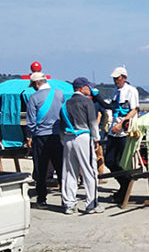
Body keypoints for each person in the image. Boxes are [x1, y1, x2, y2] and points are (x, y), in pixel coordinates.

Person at [95, 67, 139, 204]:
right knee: (109, 160)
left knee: (121, 160)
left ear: (124, 78)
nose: (116, 81)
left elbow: (134, 110)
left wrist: (121, 124)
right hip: (113, 130)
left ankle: (124, 187)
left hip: (125, 130)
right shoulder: (115, 92)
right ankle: (125, 184)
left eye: (118, 79)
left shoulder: (131, 91)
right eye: (114, 79)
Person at [60, 77, 102, 215]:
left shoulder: (65, 103)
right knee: (89, 170)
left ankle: (69, 204)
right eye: (87, 87)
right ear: (80, 88)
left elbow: (61, 125)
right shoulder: (87, 102)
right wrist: (96, 139)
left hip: (68, 137)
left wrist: (63, 140)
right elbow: (93, 123)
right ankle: (92, 204)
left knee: (69, 172)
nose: (89, 89)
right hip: (83, 136)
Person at [25, 72, 65, 208]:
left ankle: (41, 198)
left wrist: (29, 136)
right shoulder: (59, 93)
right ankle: (66, 199)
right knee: (60, 168)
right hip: (57, 135)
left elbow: (31, 121)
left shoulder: (34, 98)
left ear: (36, 83)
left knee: (41, 169)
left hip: (41, 136)